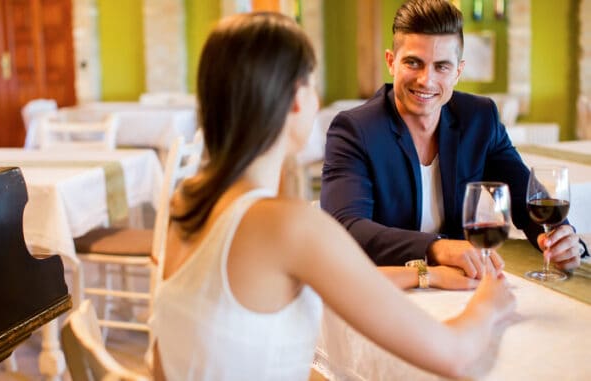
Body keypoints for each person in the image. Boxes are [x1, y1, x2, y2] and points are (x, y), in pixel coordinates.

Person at [150, 12, 515, 381]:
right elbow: (455, 355)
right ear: (296, 99)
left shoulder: (188, 205)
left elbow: (163, 361)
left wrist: (428, 275)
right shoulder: (290, 226)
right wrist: (490, 303)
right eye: (312, 84)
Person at [321, 0, 587, 278]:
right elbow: (346, 227)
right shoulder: (355, 130)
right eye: (413, 62)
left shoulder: (479, 117)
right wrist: (437, 248)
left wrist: (560, 238)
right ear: (391, 62)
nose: (426, 80)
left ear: (458, 71)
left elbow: (525, 198)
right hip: (387, 289)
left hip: (465, 282)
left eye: (441, 67)